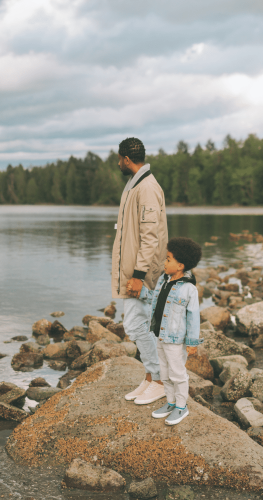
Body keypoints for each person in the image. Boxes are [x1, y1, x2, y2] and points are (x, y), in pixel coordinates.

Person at [111, 137, 168, 405]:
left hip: (142, 273)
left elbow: (150, 237)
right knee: (141, 323)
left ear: (126, 158)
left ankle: (158, 380)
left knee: (135, 324)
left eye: (118, 158)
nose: (117, 163)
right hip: (136, 270)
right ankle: (150, 379)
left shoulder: (146, 188)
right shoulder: (136, 184)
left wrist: (137, 274)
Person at [129, 237, 202, 425]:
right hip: (160, 336)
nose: (165, 262)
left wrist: (192, 343)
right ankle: (170, 402)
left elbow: (194, 318)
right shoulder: (164, 280)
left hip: (176, 341)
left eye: (168, 259)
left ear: (180, 265)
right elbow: (156, 298)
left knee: (178, 374)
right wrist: (142, 293)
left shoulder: (188, 289)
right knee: (164, 373)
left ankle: (181, 406)